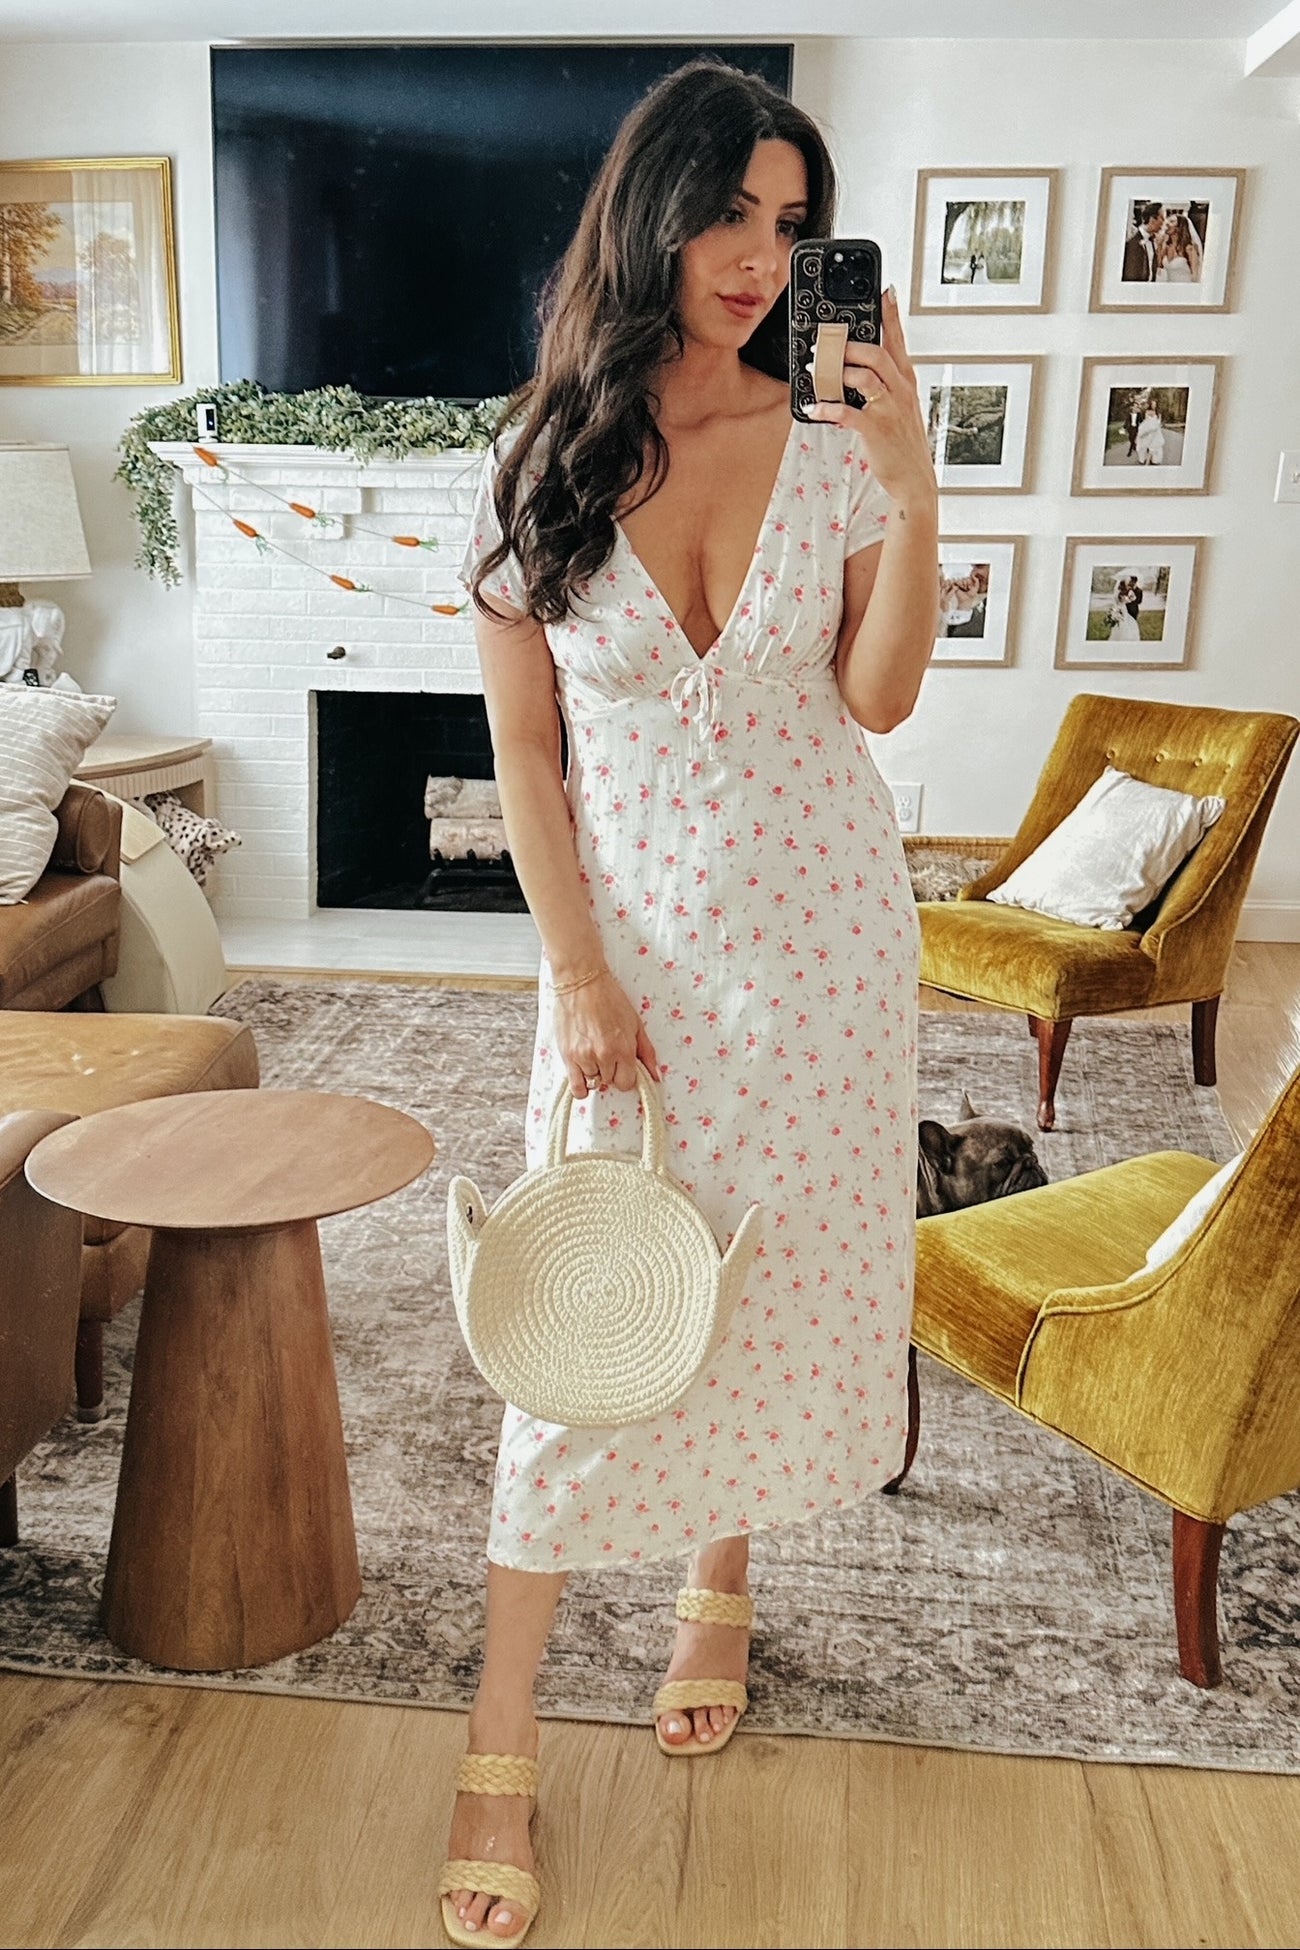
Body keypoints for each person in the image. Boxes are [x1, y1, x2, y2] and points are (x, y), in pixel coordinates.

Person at [447, 58, 938, 1947]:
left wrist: (914, 481)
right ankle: (499, 1745)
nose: (760, 256)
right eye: (731, 212)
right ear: (652, 212)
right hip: (634, 960)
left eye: (794, 224)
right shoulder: (540, 453)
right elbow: (525, 753)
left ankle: (714, 1583)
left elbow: (877, 700)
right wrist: (575, 969)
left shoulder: (831, 440)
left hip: (824, 953)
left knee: (764, 1275)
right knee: (577, 1330)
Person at [1122, 201, 1164, 282]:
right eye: (1162, 218)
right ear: (1152, 219)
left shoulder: (1153, 240)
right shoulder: (1132, 241)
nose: (1163, 222)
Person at [1157, 211, 1203, 283]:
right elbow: (1159, 266)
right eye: (1167, 221)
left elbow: (1195, 274)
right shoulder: (1166, 247)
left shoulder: (1189, 248)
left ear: (1180, 227)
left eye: (1172, 221)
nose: (1167, 224)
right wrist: (1159, 245)